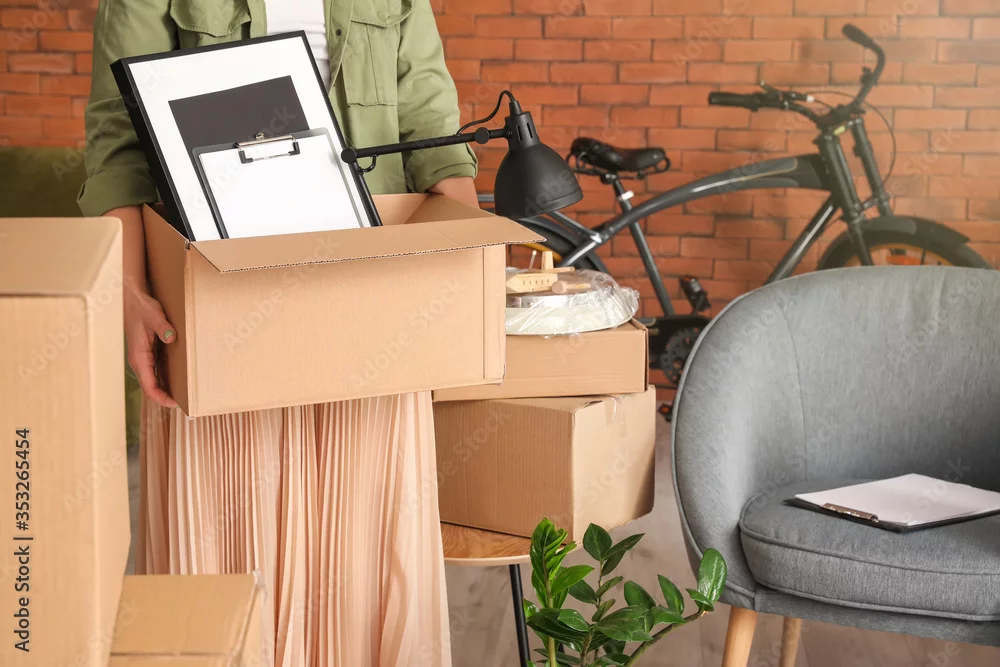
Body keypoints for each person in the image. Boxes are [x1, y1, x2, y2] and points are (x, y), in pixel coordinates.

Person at [81, 2, 476, 665]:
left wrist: (462, 271)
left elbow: (431, 126)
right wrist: (128, 291)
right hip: (215, 300)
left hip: (369, 296)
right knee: (221, 568)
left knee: (364, 550)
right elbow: (118, 141)